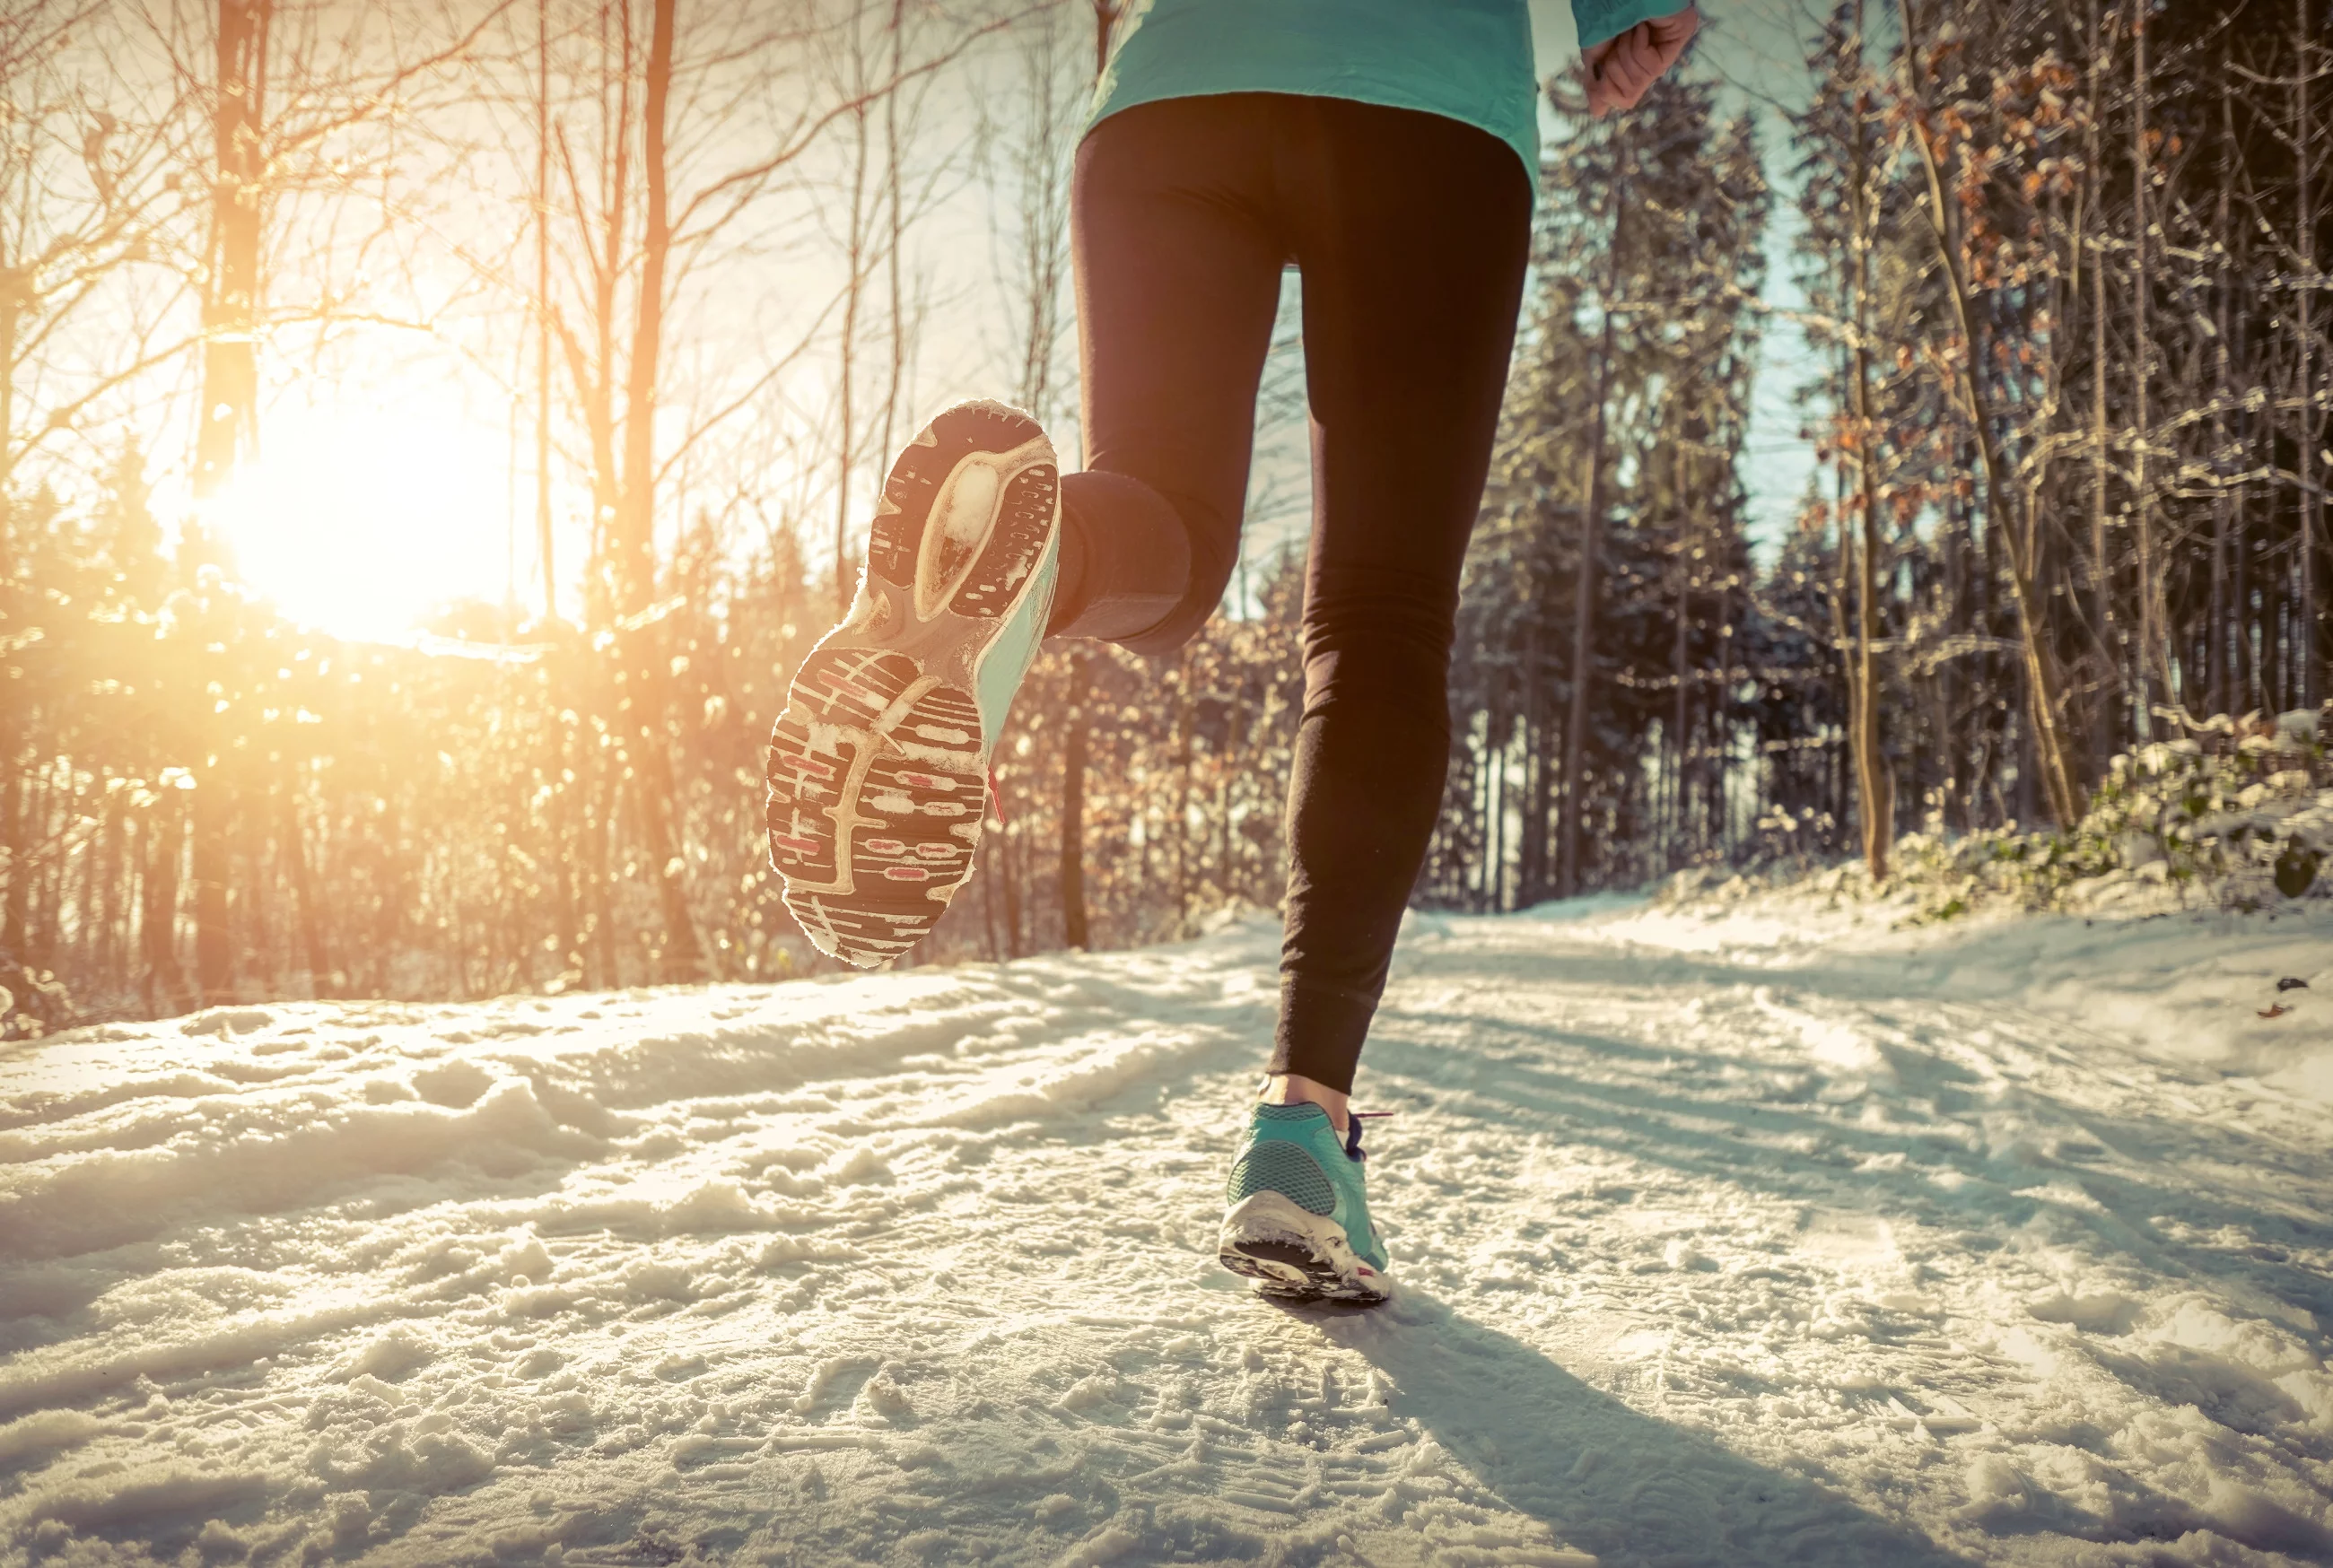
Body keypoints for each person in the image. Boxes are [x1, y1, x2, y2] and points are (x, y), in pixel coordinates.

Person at [765, 0, 1701, 1303]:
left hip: (1174, 89)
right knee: (1378, 615)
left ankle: (1037, 563)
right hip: (1426, 102)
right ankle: (1304, 1136)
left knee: (1167, 536)